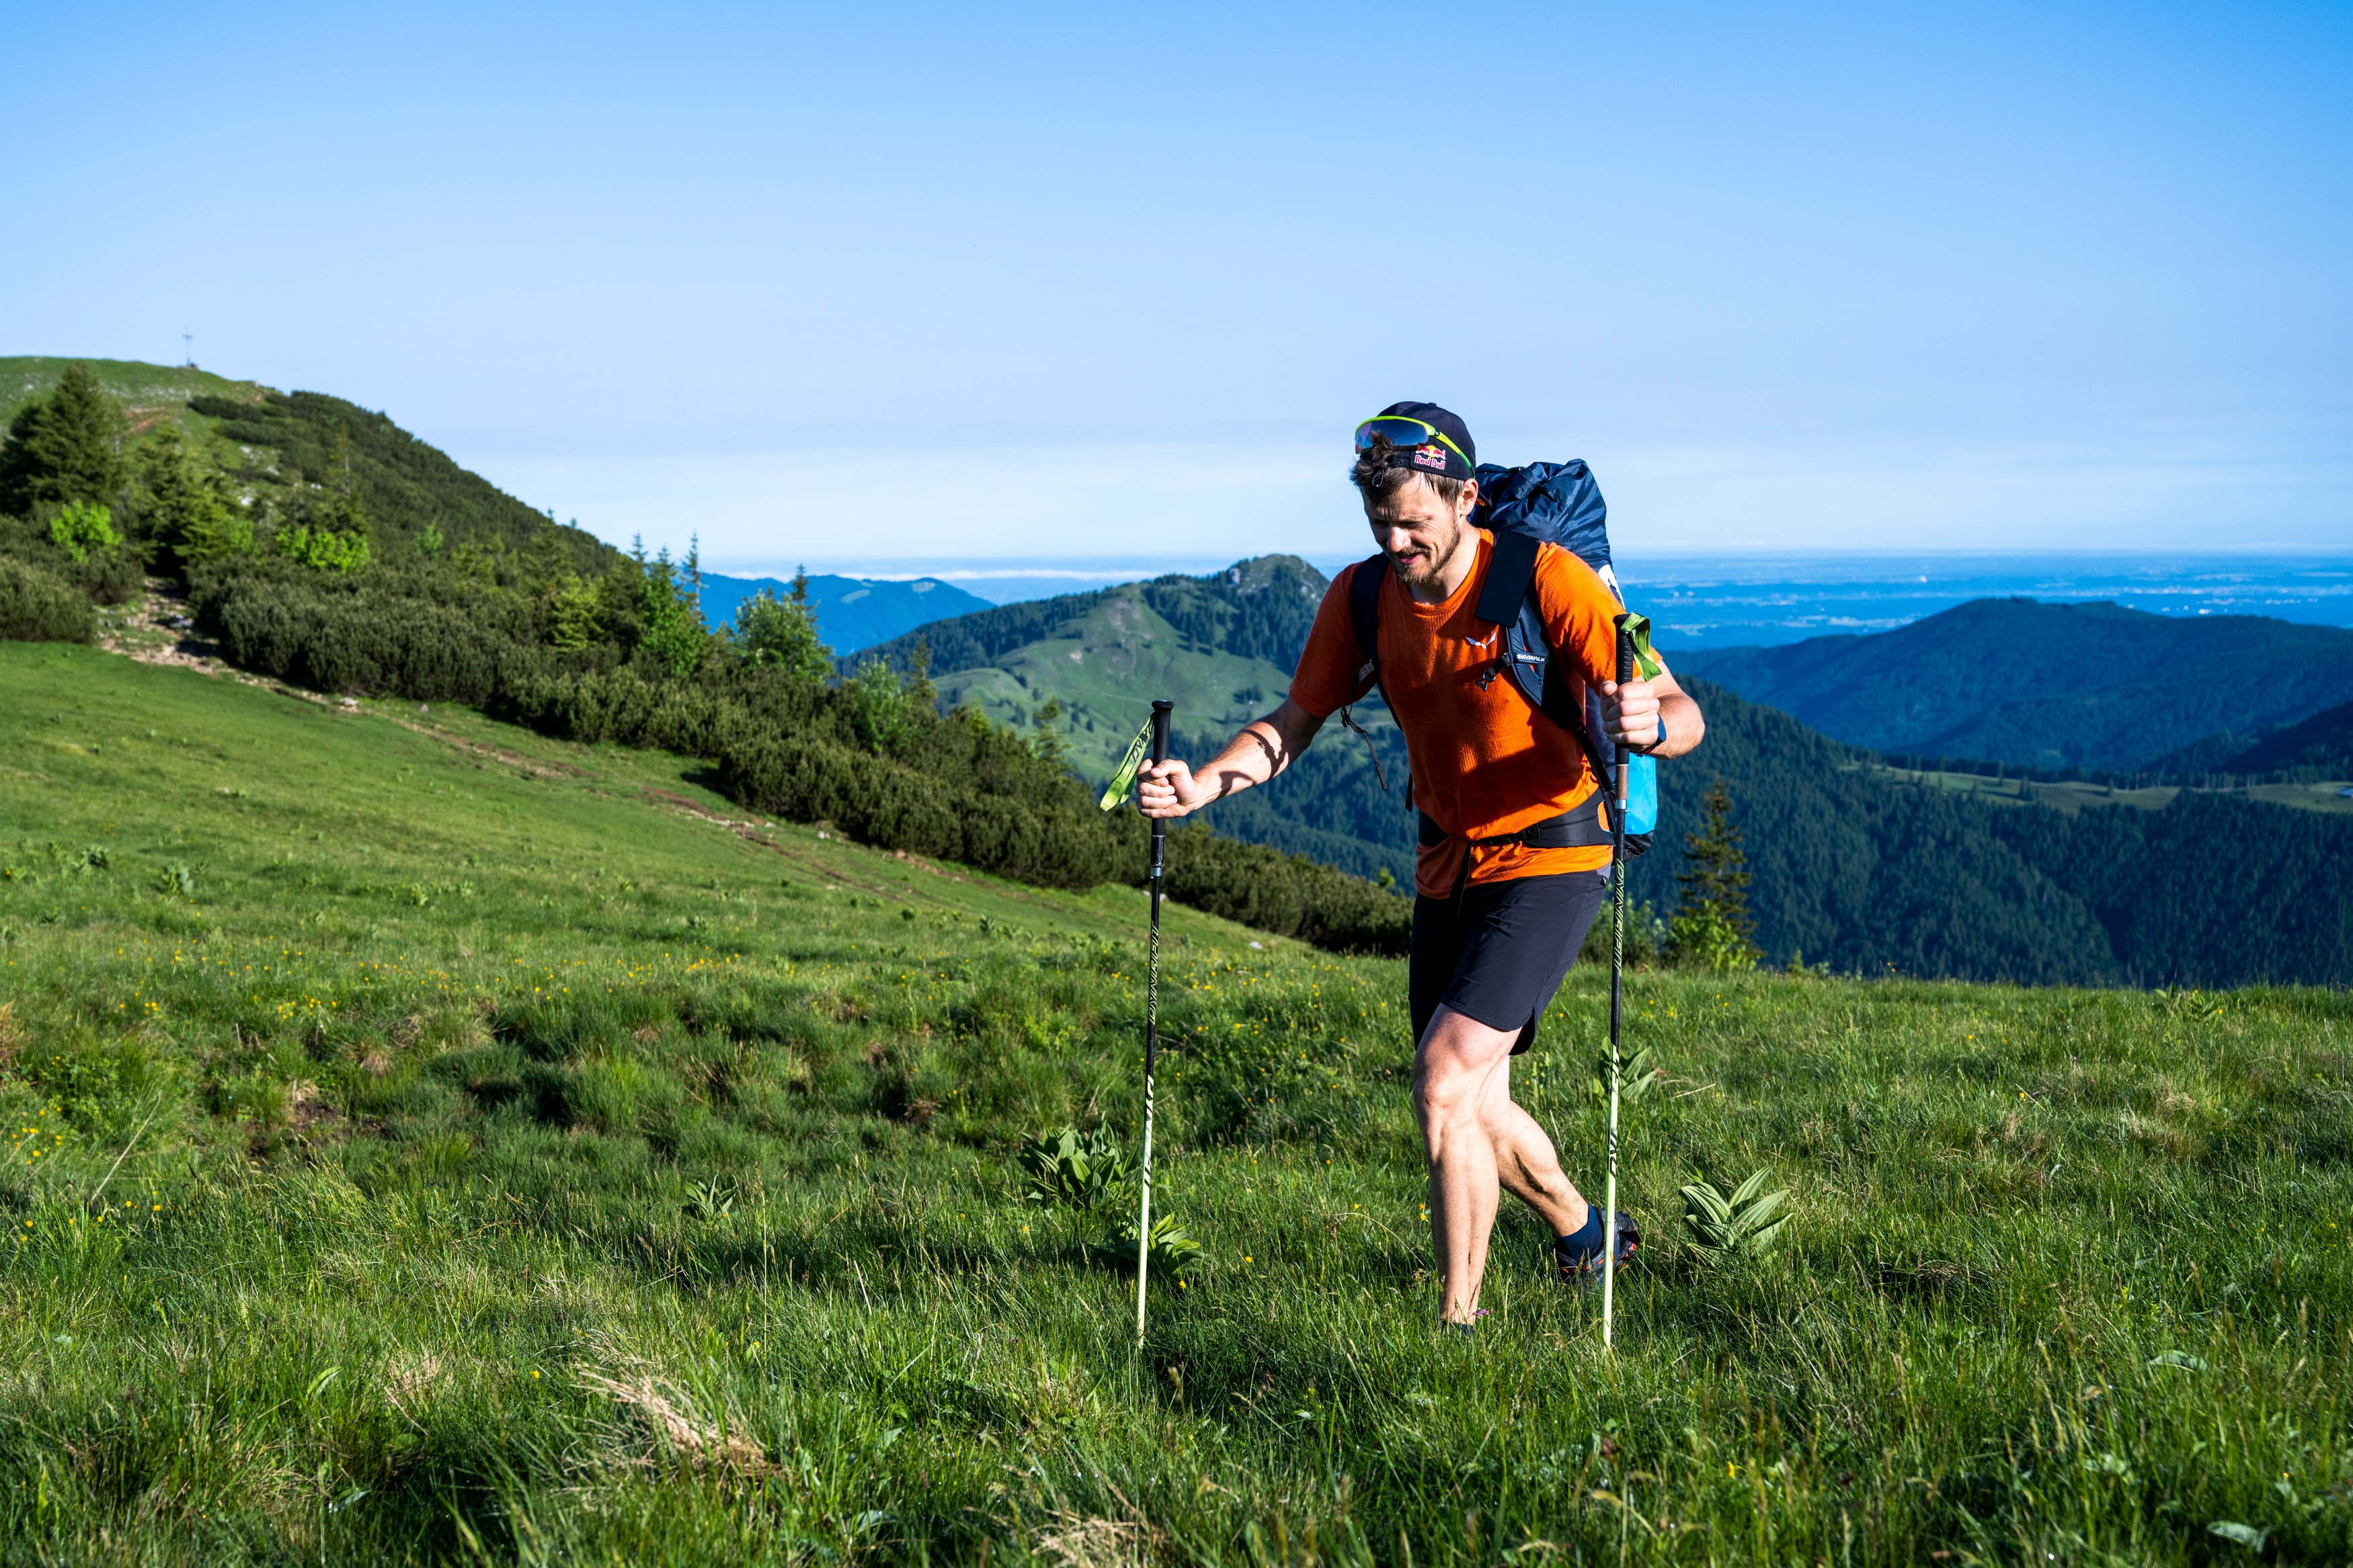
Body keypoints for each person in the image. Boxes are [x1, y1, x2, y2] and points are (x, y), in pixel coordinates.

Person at [1138, 402, 1706, 1327]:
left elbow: (1683, 709)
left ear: (1467, 499)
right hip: (1448, 860)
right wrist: (1201, 785)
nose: (1397, 542)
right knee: (1473, 1104)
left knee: (1443, 1078)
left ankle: (1455, 1329)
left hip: (1556, 847)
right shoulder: (1363, 598)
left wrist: (1653, 725)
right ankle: (1586, 1232)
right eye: (1381, 524)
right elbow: (1294, 722)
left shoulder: (1547, 583)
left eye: (1414, 522)